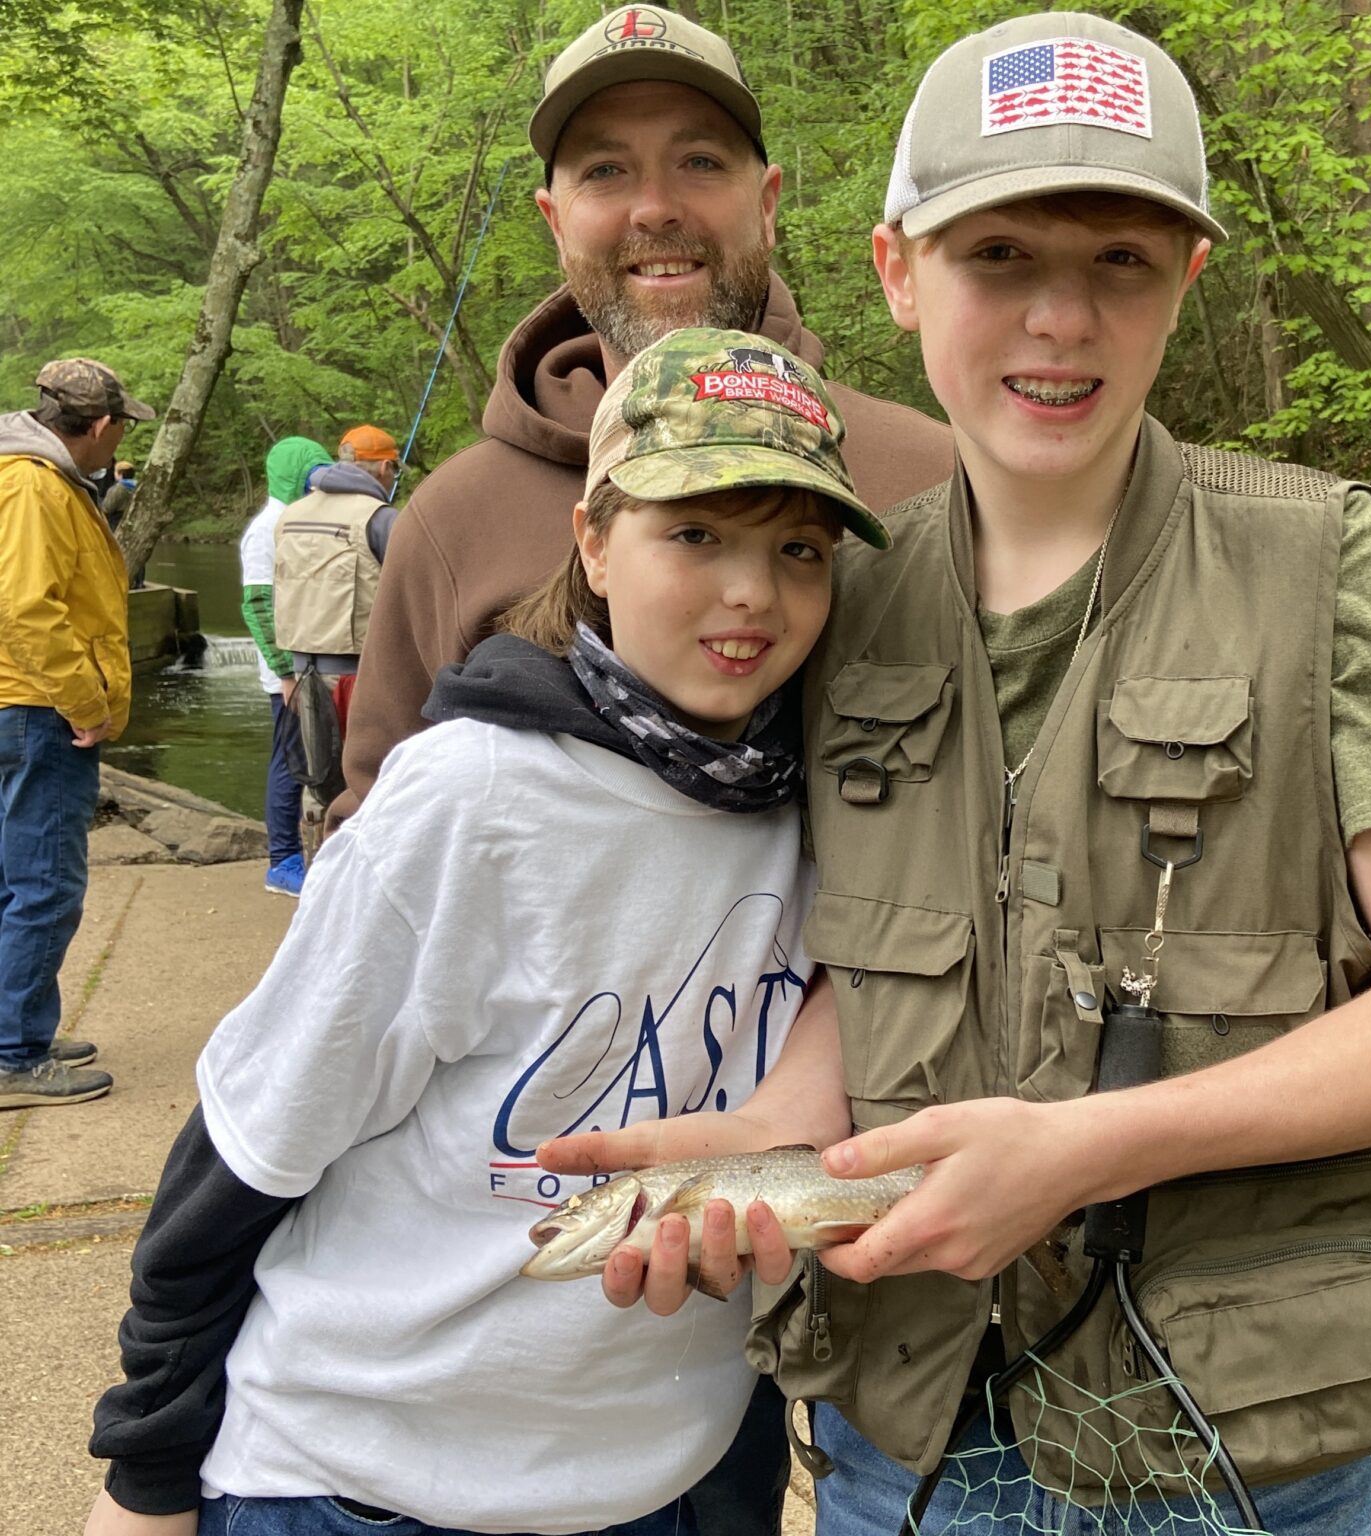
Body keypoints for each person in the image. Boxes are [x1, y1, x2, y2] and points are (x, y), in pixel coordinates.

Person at [545, 14, 1371, 1534]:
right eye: (1000, 258)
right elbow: (852, 964)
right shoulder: (843, 602)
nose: (1059, 322)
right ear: (897, 274)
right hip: (910, 1445)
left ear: (1187, 283)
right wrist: (770, 1142)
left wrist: (1087, 1150)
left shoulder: (1321, 556)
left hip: (1233, 1457)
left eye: (1121, 264)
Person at [83, 329, 878, 1536]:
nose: (752, 594)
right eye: (695, 534)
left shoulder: (822, 801)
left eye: (799, 549)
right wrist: (145, 1474)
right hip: (366, 1486)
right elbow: (245, 1145)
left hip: (673, 1478)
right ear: (595, 540)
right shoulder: (466, 800)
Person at [331, 2, 953, 830]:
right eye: (605, 171)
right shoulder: (451, 521)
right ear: (554, 222)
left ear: (767, 203)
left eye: (699, 160)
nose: (655, 208)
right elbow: (376, 838)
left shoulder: (937, 478)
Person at [0, 358, 153, 1110]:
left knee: (15, 881)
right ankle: (14, 1056)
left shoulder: (38, 477)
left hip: (21, 703)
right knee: (44, 885)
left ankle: (14, 1028)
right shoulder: (33, 484)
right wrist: (85, 701)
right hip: (38, 708)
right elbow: (27, 607)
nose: (122, 439)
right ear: (99, 427)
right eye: (123, 426)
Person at [272, 425, 401, 818]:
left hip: (302, 677)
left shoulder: (289, 516)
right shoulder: (381, 520)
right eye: (396, 468)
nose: (395, 476)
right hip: (358, 679)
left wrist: (286, 672)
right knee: (371, 786)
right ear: (382, 467)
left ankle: (320, 873)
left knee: (321, 788)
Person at [239, 438, 333, 898]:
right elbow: (256, 605)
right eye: (312, 474)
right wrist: (285, 674)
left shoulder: (295, 520)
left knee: (309, 761)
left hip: (305, 666)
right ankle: (282, 861)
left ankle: (301, 853)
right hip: (287, 676)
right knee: (290, 764)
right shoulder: (267, 528)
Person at [100, 459, 138, 529]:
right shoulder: (138, 487)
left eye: (115, 471)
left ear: (120, 473)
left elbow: (107, 508)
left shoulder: (118, 488)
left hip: (115, 523)